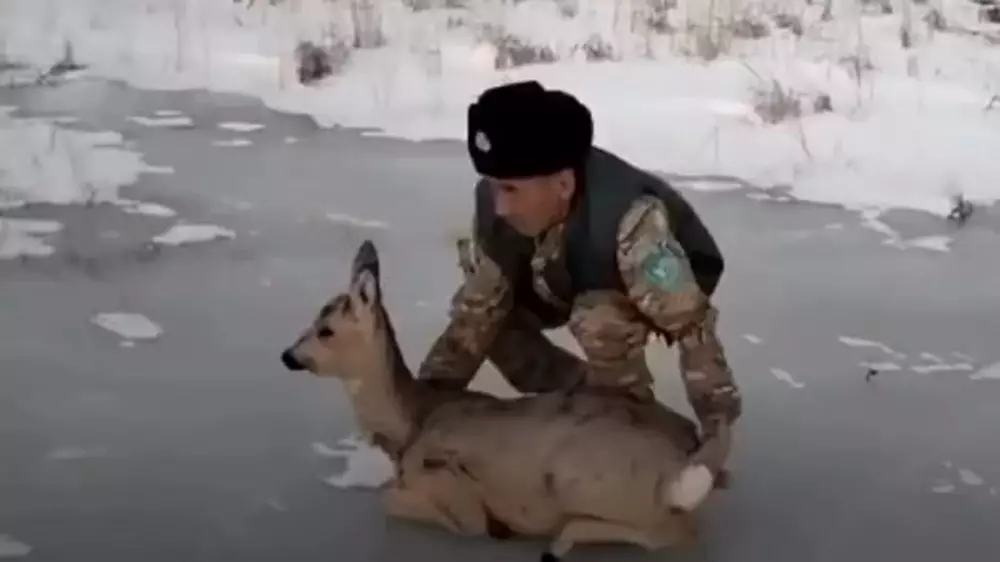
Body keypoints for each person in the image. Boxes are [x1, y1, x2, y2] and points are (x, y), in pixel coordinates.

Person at [416, 80, 741, 440]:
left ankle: (628, 418)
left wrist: (717, 419)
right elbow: (478, 311)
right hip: (559, 274)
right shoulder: (496, 208)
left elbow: (691, 325)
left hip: (650, 284)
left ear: (564, 186)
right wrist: (424, 402)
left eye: (511, 189)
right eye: (494, 185)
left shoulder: (631, 219)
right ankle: (581, 394)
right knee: (495, 323)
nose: (499, 206)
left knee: (598, 318)